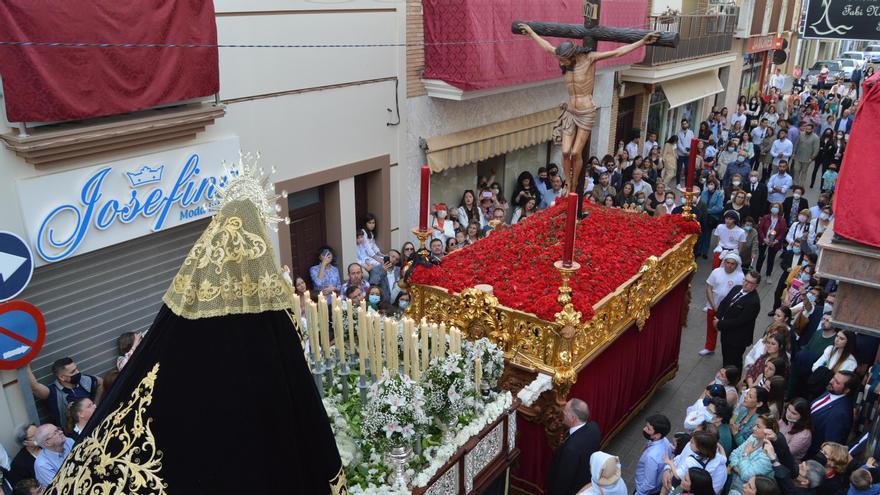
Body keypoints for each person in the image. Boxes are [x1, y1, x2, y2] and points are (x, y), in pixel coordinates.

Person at [517, 23, 659, 218]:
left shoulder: (590, 59)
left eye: (564, 60)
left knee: (576, 152)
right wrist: (532, 32)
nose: (561, 63)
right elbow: (548, 47)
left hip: (586, 112)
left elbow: (618, 53)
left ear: (572, 55)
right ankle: (569, 182)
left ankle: (574, 185)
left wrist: (642, 41)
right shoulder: (565, 60)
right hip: (570, 109)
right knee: (565, 151)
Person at [545, 399, 601, 495]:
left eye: (565, 412)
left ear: (573, 418)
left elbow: (564, 479)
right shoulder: (594, 427)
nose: (562, 414)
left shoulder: (570, 449)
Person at [25, 358, 100, 428]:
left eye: (76, 368)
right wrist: (25, 365)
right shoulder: (53, 393)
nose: (78, 372)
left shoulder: (85, 380)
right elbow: (35, 387)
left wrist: (96, 404)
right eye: (73, 372)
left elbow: (102, 383)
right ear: (62, 377)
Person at [714, 271, 762, 370]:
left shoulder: (753, 302)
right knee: (726, 356)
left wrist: (719, 324)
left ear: (756, 286)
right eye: (745, 280)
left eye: (750, 283)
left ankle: (733, 380)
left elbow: (739, 321)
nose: (746, 283)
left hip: (737, 338)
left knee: (734, 362)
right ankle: (725, 372)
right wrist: (717, 317)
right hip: (726, 332)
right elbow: (724, 303)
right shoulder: (736, 288)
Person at [701, 252, 744, 357]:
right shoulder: (716, 272)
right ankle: (709, 347)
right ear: (724, 262)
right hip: (713, 306)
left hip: (729, 310)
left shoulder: (740, 276)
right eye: (727, 262)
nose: (729, 265)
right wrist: (713, 304)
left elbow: (740, 294)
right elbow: (709, 288)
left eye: (732, 264)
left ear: (736, 265)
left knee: (727, 332)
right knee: (711, 328)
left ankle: (728, 352)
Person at [808, 371, 858, 457]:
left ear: (846, 390)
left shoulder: (841, 414)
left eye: (837, 382)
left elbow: (830, 445)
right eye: (833, 378)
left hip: (811, 454)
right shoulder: (833, 391)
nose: (831, 381)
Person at [728, 415, 776, 494]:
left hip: (745, 491)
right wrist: (739, 470)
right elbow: (733, 454)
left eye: (758, 426)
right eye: (754, 425)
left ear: (769, 431)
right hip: (733, 481)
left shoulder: (768, 455)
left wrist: (745, 454)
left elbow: (746, 476)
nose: (753, 428)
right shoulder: (753, 438)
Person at [635, 414, 673, 495]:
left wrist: (639, 493)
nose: (644, 429)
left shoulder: (651, 457)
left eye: (648, 429)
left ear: (657, 435)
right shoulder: (665, 440)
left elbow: (649, 484)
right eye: (646, 426)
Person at [779, 398, 813, 463]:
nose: (788, 414)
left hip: (787, 463)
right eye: (788, 409)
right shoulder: (787, 419)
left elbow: (785, 453)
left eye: (794, 413)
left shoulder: (804, 435)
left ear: (802, 416)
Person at [676, 120, 695, 185]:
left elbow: (692, 142)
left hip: (688, 154)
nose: (684, 125)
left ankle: (686, 184)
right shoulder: (678, 133)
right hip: (681, 154)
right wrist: (684, 151)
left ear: (687, 124)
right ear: (681, 125)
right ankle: (678, 184)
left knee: (687, 169)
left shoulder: (691, 132)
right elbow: (678, 144)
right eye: (683, 124)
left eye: (685, 124)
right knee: (679, 169)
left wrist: (689, 151)